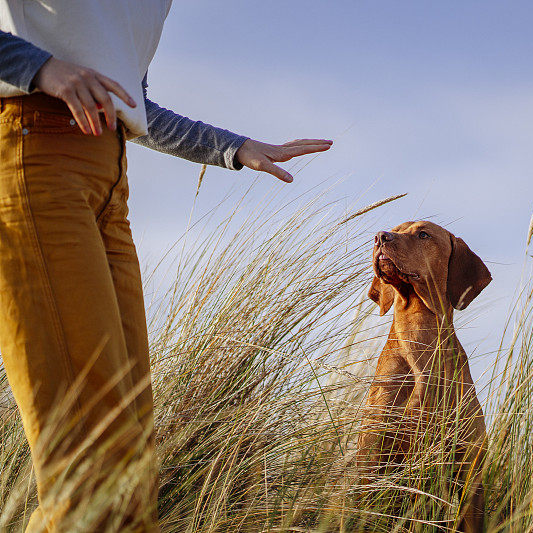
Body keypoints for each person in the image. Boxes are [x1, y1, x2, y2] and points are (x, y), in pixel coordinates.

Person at [0, 2, 331, 531]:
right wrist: (42, 68)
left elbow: (132, 106)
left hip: (109, 186)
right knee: (90, 459)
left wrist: (233, 147)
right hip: (32, 156)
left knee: (131, 466)